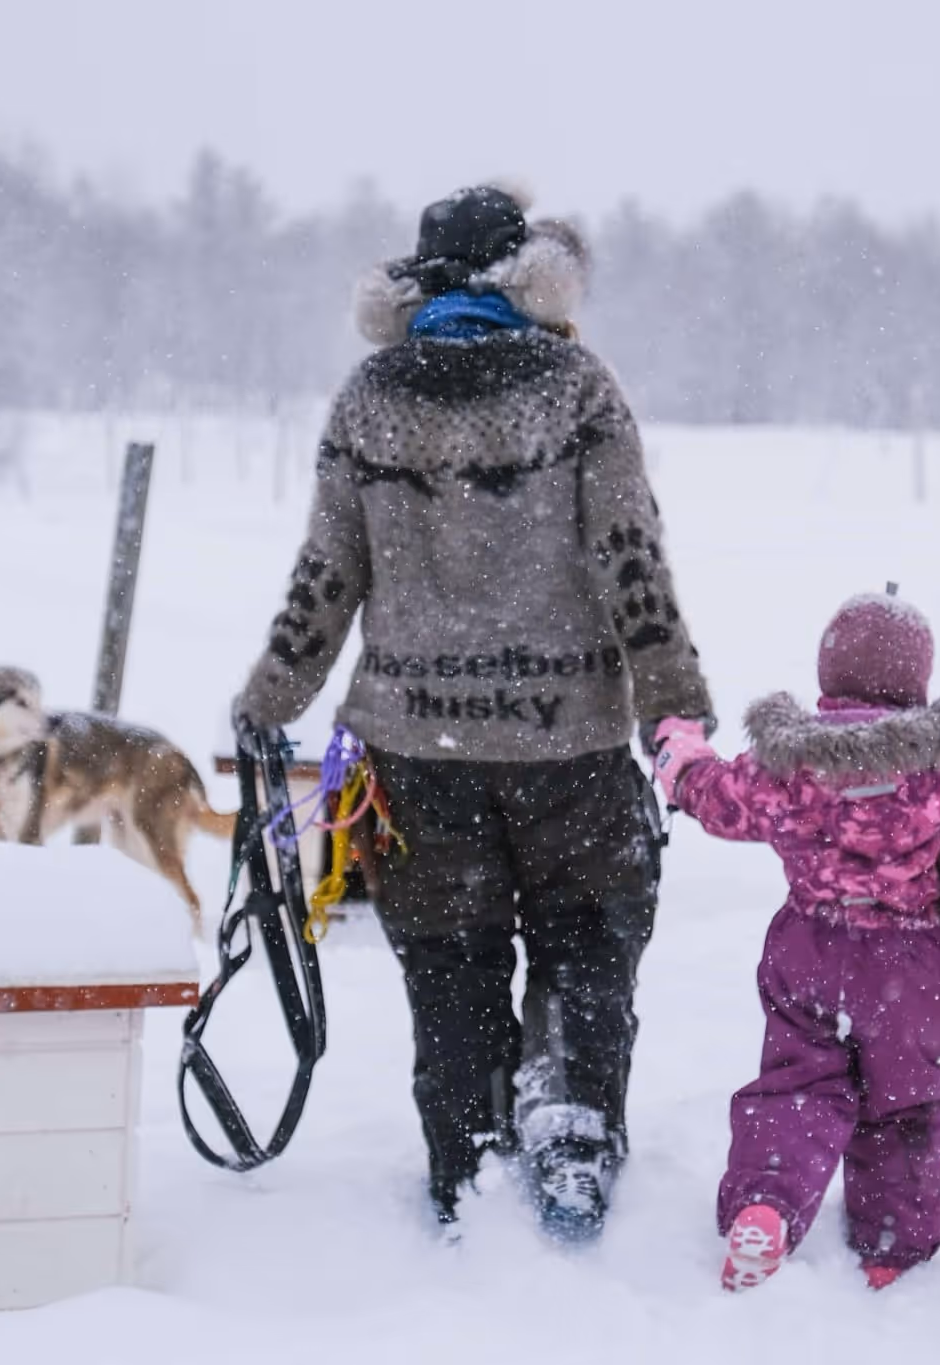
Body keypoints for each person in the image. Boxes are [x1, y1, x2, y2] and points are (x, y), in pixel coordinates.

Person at [234, 184, 713, 1239]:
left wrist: (270, 699)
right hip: (573, 746)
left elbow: (328, 569)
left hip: (418, 758)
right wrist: (673, 710)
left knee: (450, 961)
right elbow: (630, 558)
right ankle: (573, 1127)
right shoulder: (579, 387)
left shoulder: (370, 396)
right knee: (588, 942)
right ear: (527, 272)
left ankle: (465, 1158)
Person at [650, 591, 940, 1290]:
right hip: (909, 967)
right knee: (902, 1099)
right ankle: (891, 1243)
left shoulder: (788, 766)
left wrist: (681, 754)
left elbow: (716, 798)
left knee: (797, 1084)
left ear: (827, 679)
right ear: (918, 686)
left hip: (809, 951)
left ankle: (765, 1205)